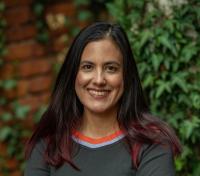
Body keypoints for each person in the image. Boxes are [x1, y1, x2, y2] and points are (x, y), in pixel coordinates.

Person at [24, 22, 181, 176]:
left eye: (111, 68)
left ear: (126, 76)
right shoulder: (48, 144)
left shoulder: (152, 144)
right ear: (73, 74)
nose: (99, 80)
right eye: (88, 67)